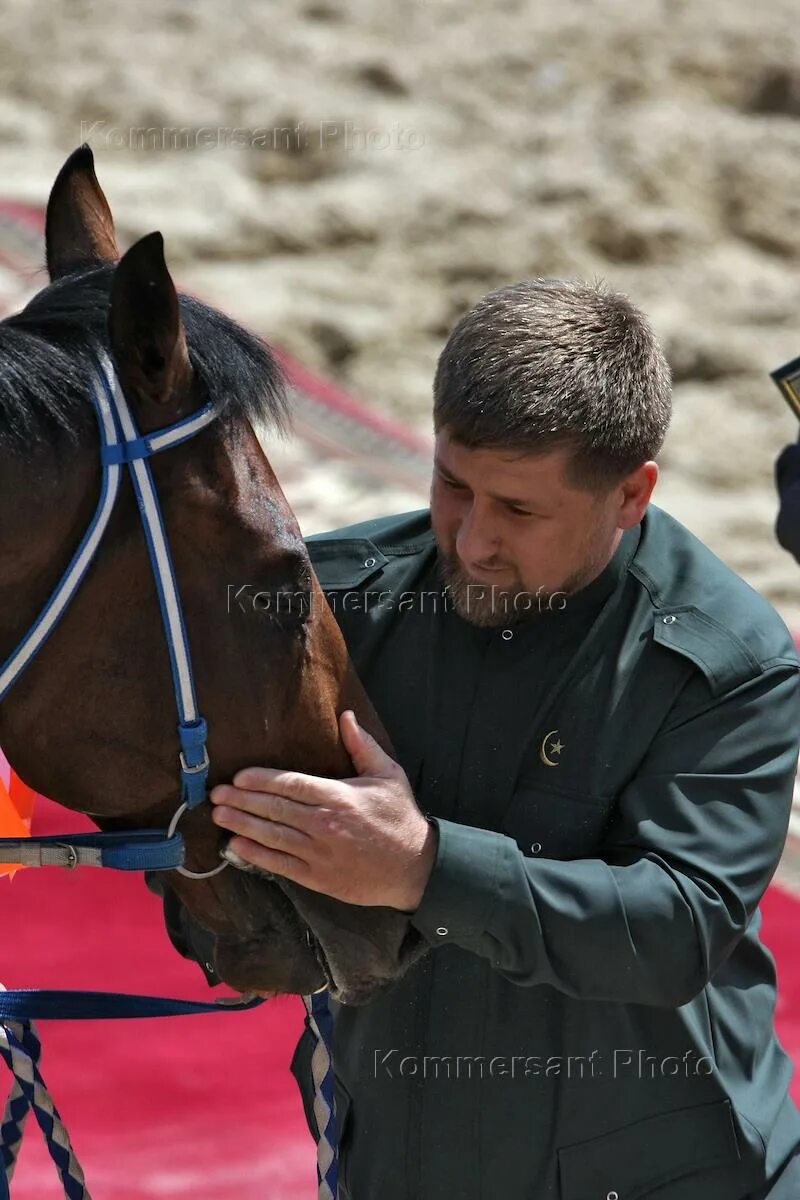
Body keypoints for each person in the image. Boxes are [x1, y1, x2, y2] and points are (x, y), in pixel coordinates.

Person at [188, 279, 800, 1197]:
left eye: (518, 510)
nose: (471, 542)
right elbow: (218, 884)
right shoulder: (338, 603)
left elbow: (680, 928)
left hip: (662, 1172)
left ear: (631, 494)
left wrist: (422, 869)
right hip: (398, 1159)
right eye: (451, 484)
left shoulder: (725, 661)